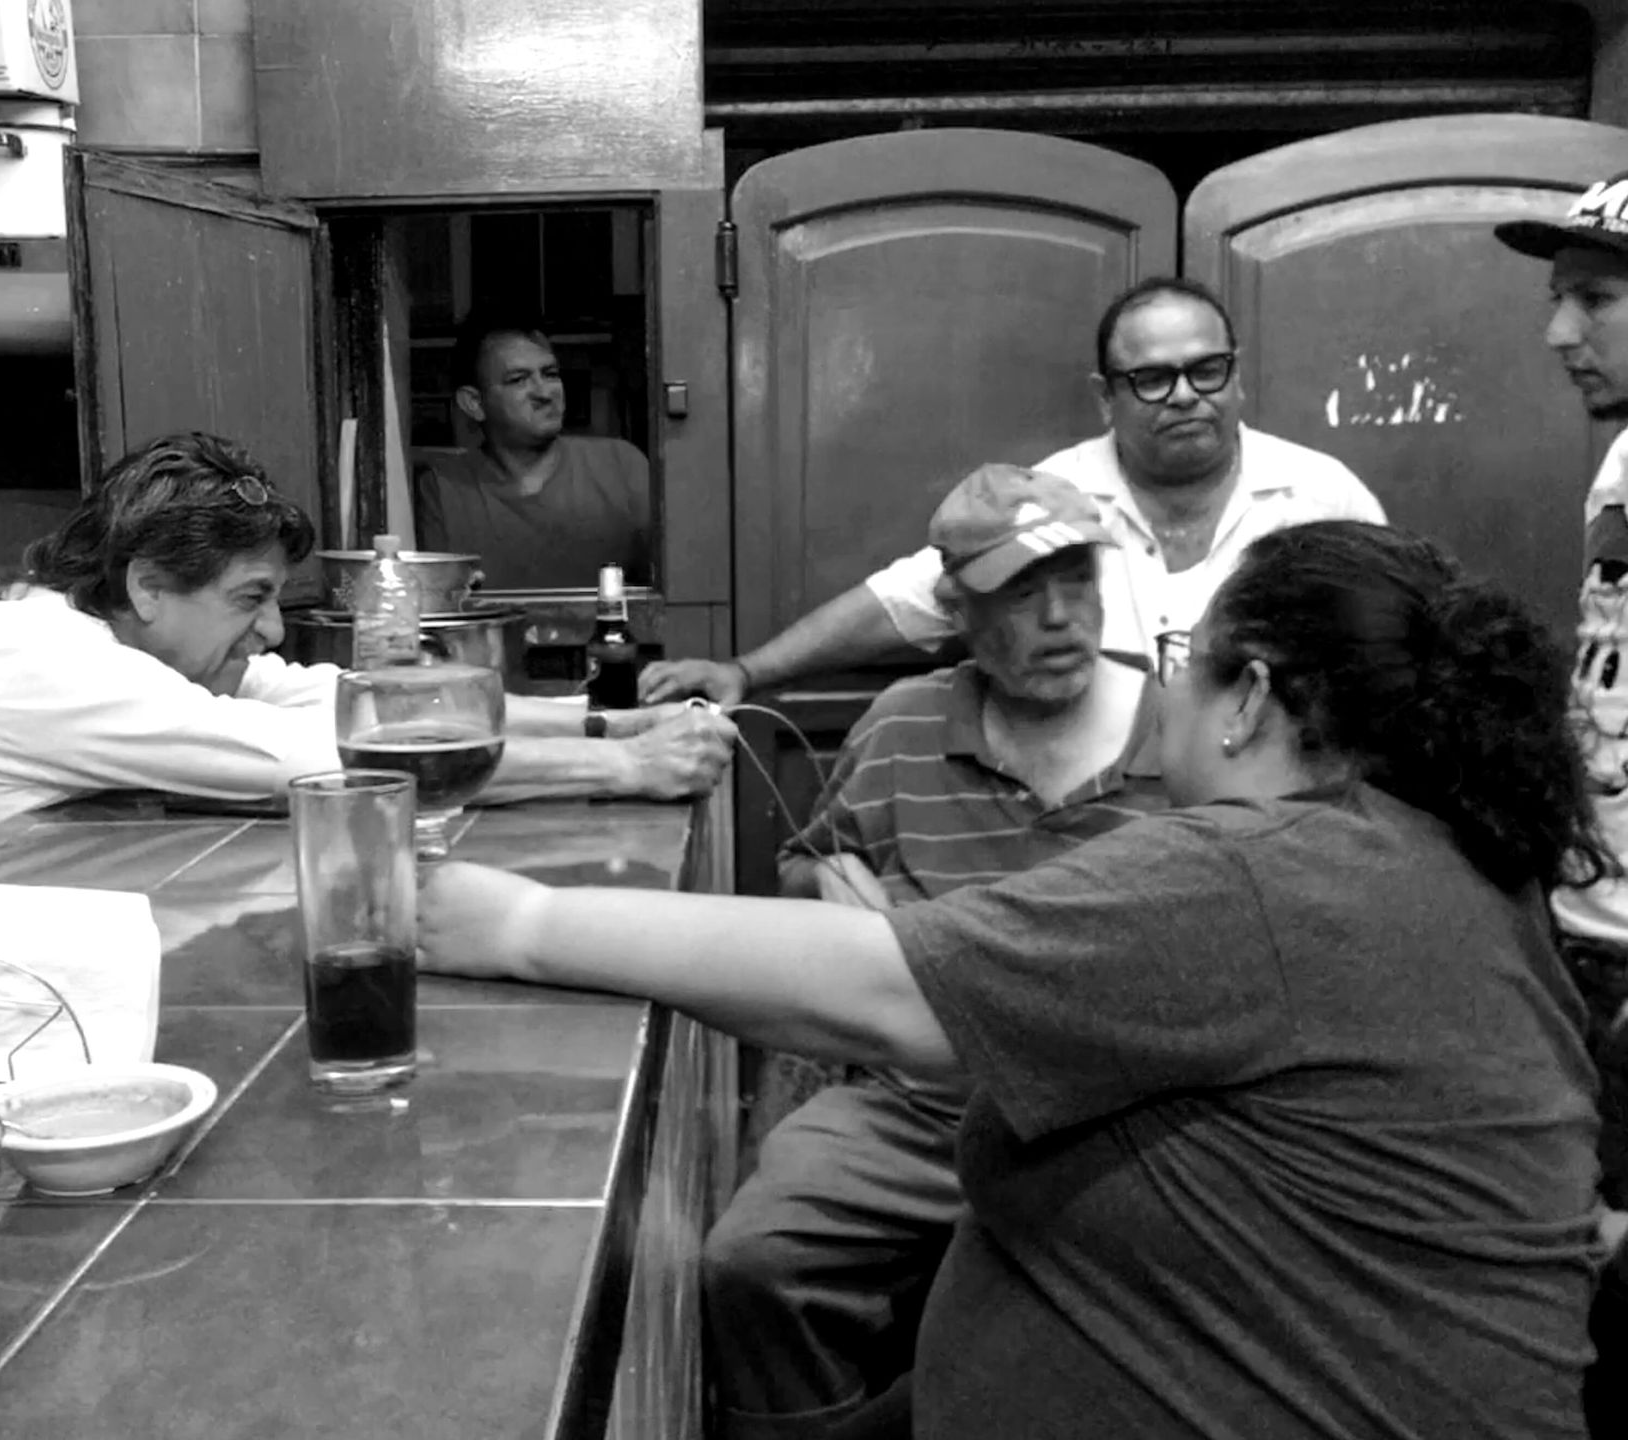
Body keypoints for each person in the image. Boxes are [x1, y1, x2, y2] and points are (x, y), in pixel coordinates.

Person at [424, 520, 1606, 1440]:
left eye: (1185, 663)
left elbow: (890, 994)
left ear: (1248, 697)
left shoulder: (1268, 872)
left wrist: (519, 921)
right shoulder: (1439, 855)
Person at [0, 432, 732, 975]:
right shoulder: (39, 662)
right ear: (146, 586)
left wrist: (602, 721)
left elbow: (325, 693)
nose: (268, 629)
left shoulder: (111, 631)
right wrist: (625, 771)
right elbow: (316, 760)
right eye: (251, 599)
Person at [703, 462, 1168, 1440]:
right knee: (752, 1259)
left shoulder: (1182, 735)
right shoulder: (906, 724)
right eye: (1019, 593)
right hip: (918, 1116)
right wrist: (828, 896)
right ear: (955, 607)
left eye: (1075, 580)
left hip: (1122, 1131)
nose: (1058, 618)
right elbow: (810, 865)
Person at [640, 277, 1383, 706]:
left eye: (1207, 369)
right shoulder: (1057, 494)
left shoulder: (1323, 498)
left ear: (1237, 373)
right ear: (1105, 397)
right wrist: (744, 672)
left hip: (1265, 830)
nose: (1185, 395)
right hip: (1084, 827)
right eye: (1152, 378)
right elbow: (909, 599)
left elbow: (1392, 661)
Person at [1496, 169, 1628, 1438]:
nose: (1556, 333)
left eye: (1592, 299)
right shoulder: (1620, 460)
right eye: (1556, 299)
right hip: (1587, 946)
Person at [412, 306, 653, 588]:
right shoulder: (444, 488)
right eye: (519, 380)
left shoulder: (621, 466)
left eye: (550, 374)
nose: (544, 393)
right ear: (474, 403)